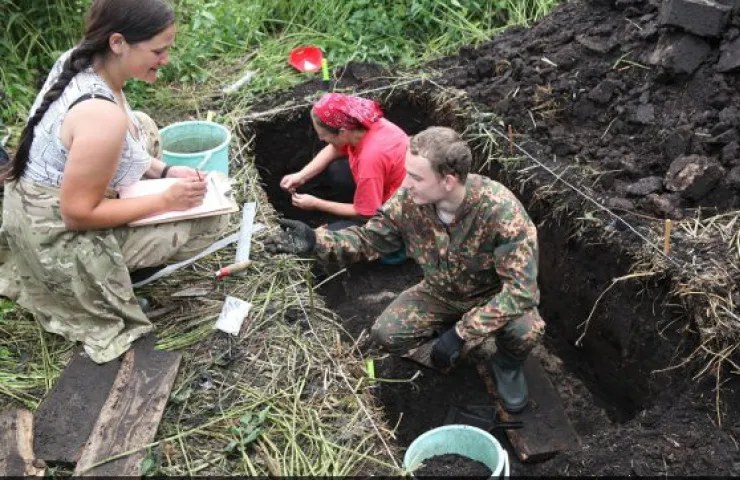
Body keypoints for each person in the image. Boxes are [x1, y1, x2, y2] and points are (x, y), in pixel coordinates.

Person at [0, 0, 229, 363]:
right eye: (158, 50)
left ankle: (124, 252)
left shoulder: (81, 60)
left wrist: (166, 173)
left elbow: (123, 147)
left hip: (33, 201)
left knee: (144, 126)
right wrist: (165, 201)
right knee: (210, 220)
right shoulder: (101, 117)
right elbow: (76, 215)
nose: (165, 59)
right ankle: (110, 279)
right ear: (119, 43)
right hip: (53, 232)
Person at [265, 126, 545, 412]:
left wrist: (461, 333)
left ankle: (506, 365)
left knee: (526, 330)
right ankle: (453, 348)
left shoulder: (500, 211)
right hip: (440, 291)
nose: (406, 183)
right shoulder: (409, 200)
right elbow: (370, 239)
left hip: (491, 294)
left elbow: (521, 292)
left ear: (448, 181)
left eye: (415, 177)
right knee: (387, 334)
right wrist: (316, 241)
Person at [279, 93, 408, 230]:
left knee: (330, 234)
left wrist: (316, 204)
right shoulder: (363, 123)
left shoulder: (369, 160)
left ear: (342, 132)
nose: (321, 139)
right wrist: (302, 176)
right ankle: (355, 202)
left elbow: (368, 213)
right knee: (338, 171)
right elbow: (335, 149)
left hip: (398, 212)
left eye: (323, 135)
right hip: (383, 181)